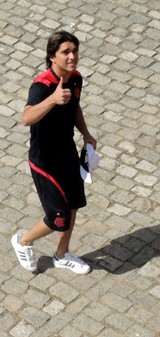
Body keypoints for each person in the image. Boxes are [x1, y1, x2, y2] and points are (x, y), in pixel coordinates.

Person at [11, 30, 97, 274]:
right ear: (52, 57)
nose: (72, 56)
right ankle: (23, 241)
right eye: (65, 52)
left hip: (67, 154)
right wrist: (52, 100)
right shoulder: (43, 86)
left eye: (74, 51)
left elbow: (75, 108)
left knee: (73, 205)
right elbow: (26, 117)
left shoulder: (76, 78)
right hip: (44, 161)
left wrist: (86, 134)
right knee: (58, 218)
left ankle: (62, 254)